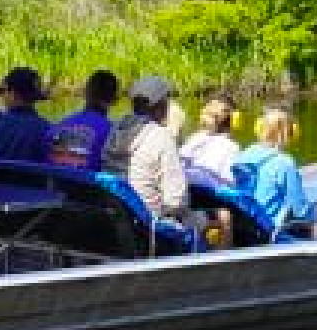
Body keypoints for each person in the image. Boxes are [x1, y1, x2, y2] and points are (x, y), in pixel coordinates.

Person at [101, 76, 196, 223]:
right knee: (218, 216)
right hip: (151, 225)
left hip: (117, 217)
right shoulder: (162, 137)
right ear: (161, 106)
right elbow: (177, 202)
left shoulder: (114, 129)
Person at [231, 105, 317, 236]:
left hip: (247, 227)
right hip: (271, 230)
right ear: (288, 132)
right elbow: (301, 211)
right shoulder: (284, 164)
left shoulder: (244, 156)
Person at [48, 70, 118, 170]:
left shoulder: (58, 126)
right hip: (89, 185)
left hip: (59, 183)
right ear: (114, 100)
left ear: (85, 94)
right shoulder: (112, 132)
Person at [0, 67, 52, 163]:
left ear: (13, 93)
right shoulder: (47, 129)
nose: (2, 96)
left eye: (3, 90)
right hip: (31, 177)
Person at [180, 94, 240, 186]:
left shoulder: (230, 147)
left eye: (213, 114)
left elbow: (228, 183)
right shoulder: (197, 137)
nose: (206, 110)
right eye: (209, 107)